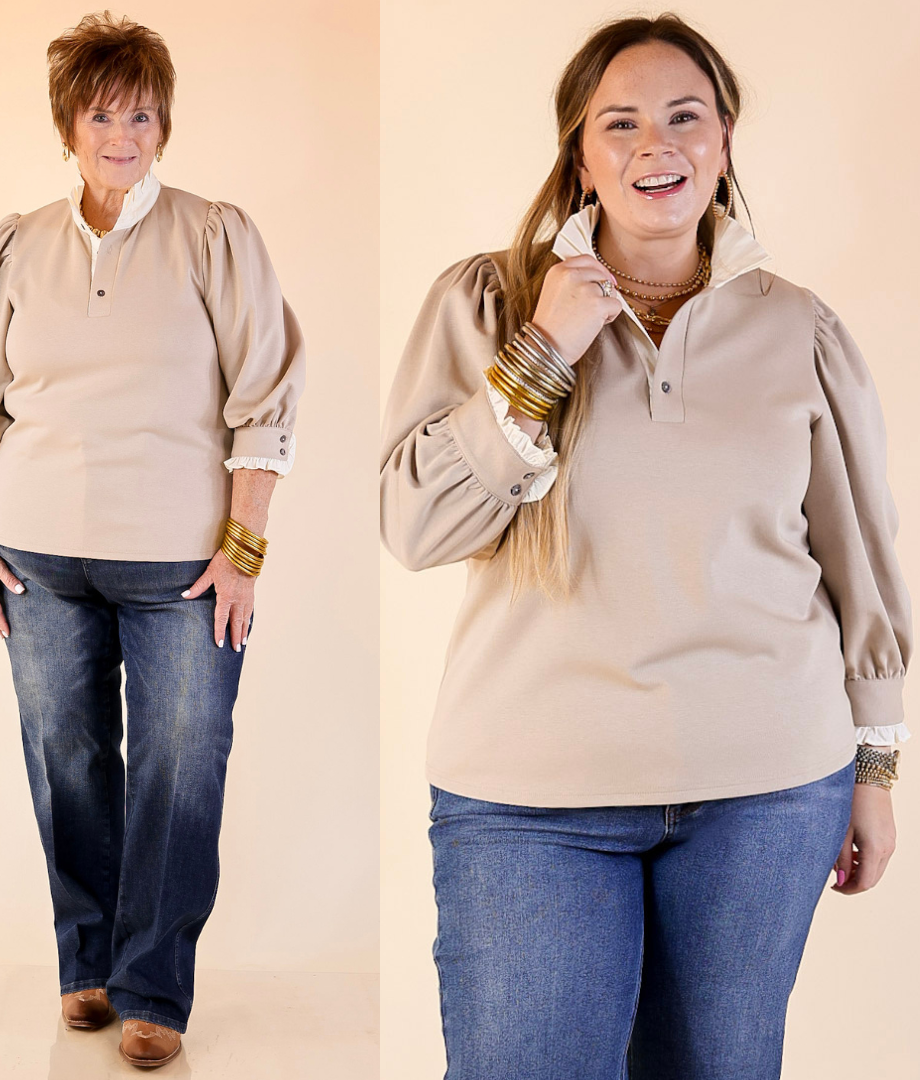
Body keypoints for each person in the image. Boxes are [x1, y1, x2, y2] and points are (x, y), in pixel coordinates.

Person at [379, 13, 911, 1080]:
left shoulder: (799, 328)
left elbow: (860, 560)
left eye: (684, 118)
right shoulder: (489, 303)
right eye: (618, 123)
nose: (653, 145)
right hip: (529, 799)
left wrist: (877, 765)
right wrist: (545, 352)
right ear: (579, 154)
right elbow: (415, 525)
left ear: (724, 143)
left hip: (768, 792)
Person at [0, 12, 304, 1069]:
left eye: (142, 112)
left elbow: (265, 401)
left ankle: (155, 985)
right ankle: (84, 962)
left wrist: (246, 547)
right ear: (70, 126)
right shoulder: (16, 245)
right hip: (38, 558)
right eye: (103, 113)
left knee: (181, 767)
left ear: (163, 123)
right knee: (68, 758)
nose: (124, 132)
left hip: (184, 569)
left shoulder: (215, 235)